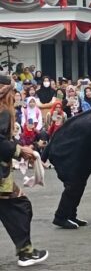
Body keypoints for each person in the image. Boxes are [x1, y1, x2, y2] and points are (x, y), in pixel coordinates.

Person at [0, 75, 49, 267]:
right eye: (13, 91)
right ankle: (26, 253)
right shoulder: (3, 111)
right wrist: (21, 151)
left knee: (15, 209)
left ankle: (26, 252)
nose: (15, 95)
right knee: (21, 207)